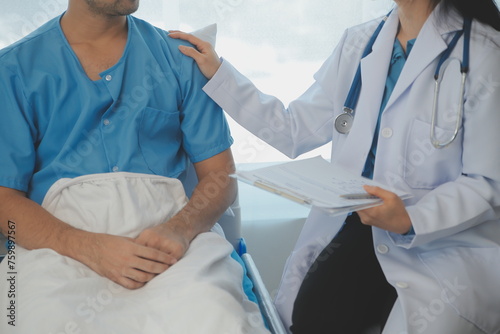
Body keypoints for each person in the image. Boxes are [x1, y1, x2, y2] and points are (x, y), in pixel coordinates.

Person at [170, 0, 500, 333]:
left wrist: (411, 218)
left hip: (440, 239)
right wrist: (220, 72)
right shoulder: (360, 42)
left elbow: (487, 182)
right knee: (312, 319)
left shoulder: (484, 54)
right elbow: (293, 129)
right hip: (359, 224)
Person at [0, 0, 237, 290]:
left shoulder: (181, 60)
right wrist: (89, 248)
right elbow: (4, 199)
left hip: (171, 247)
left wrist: (180, 229)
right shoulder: (13, 70)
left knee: (216, 317)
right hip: (58, 251)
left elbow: (221, 176)